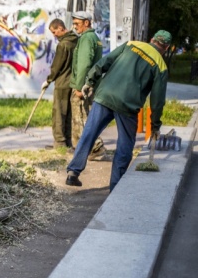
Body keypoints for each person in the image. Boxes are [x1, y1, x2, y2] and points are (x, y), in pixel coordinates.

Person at [65, 30, 172, 191]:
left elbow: (105, 61)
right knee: (125, 144)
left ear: (152, 39)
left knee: (89, 133)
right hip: (127, 106)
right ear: (167, 47)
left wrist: (90, 81)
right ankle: (116, 186)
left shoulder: (131, 44)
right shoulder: (161, 66)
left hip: (104, 96)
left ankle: (73, 172)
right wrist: (155, 125)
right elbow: (157, 102)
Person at [69, 11, 107, 160]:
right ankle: (88, 149)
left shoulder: (86, 38)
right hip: (90, 85)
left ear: (86, 23)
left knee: (81, 117)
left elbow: (84, 64)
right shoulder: (94, 38)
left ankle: (94, 148)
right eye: (74, 24)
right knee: (87, 116)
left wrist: (79, 87)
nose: (75, 27)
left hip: (83, 86)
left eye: (77, 24)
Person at [41, 19, 78, 149]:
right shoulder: (76, 41)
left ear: (61, 28)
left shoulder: (63, 45)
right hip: (73, 82)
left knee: (59, 113)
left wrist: (49, 80)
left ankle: (60, 142)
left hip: (62, 83)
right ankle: (67, 141)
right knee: (69, 113)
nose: (54, 35)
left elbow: (57, 66)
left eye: (54, 31)